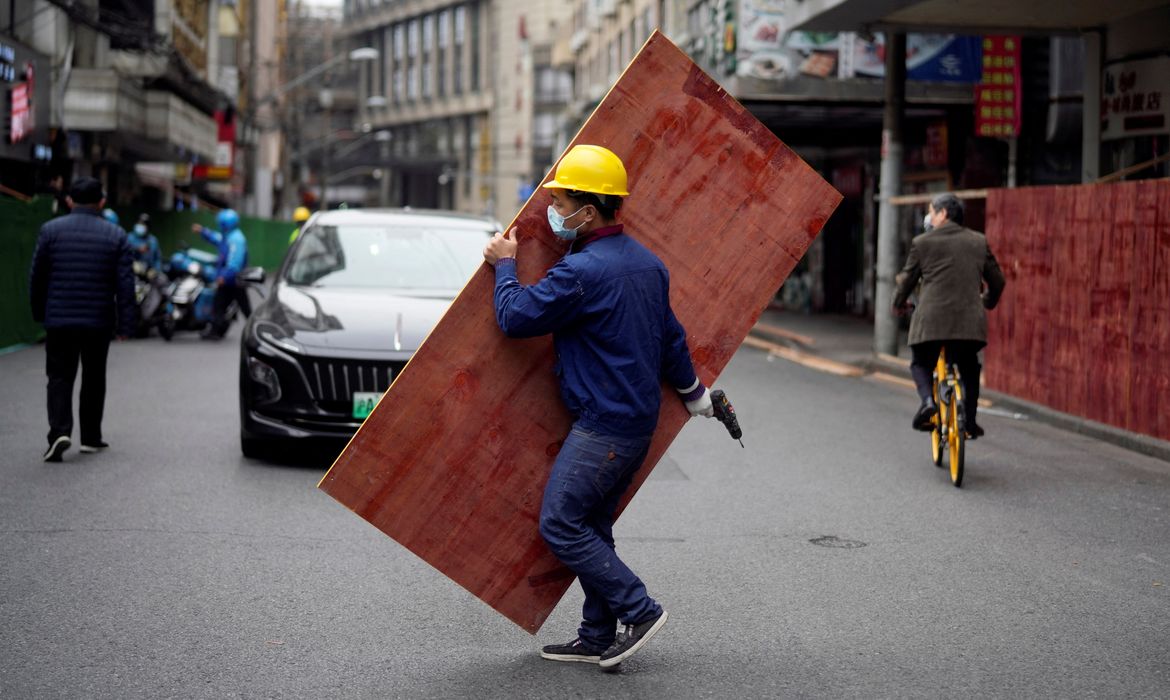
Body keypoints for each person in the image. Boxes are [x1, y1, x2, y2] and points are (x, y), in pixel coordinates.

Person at [482, 144, 716, 670]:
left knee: (561, 522)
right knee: (594, 527)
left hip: (604, 428)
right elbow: (671, 340)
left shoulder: (582, 272)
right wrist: (694, 393)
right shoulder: (648, 265)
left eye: (561, 202)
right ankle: (595, 636)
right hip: (632, 424)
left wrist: (505, 264)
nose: (553, 212)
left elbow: (517, 318)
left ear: (588, 211)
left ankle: (640, 608)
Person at [29, 177, 136, 462]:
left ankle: (59, 432)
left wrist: (40, 313)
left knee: (59, 376)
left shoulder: (50, 231)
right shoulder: (116, 235)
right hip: (98, 322)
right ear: (101, 202)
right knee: (93, 377)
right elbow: (125, 285)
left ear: (69, 201)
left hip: (59, 321)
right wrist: (126, 324)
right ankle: (91, 437)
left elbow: (37, 278)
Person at [893, 192, 1006, 439]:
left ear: (943, 214)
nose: (929, 217)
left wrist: (898, 304)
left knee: (921, 363)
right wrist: (986, 301)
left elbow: (906, 282)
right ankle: (971, 421)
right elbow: (997, 281)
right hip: (969, 324)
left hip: (931, 323)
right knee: (969, 368)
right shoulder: (978, 241)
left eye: (932, 212)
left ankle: (927, 403)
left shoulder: (922, 243)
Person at [192, 208, 250, 339]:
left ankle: (217, 331)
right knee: (222, 305)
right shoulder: (229, 236)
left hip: (234, 280)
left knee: (235, 306)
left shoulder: (236, 239)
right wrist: (203, 231)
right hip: (231, 280)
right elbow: (216, 238)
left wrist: (224, 277)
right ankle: (216, 330)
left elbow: (235, 262)